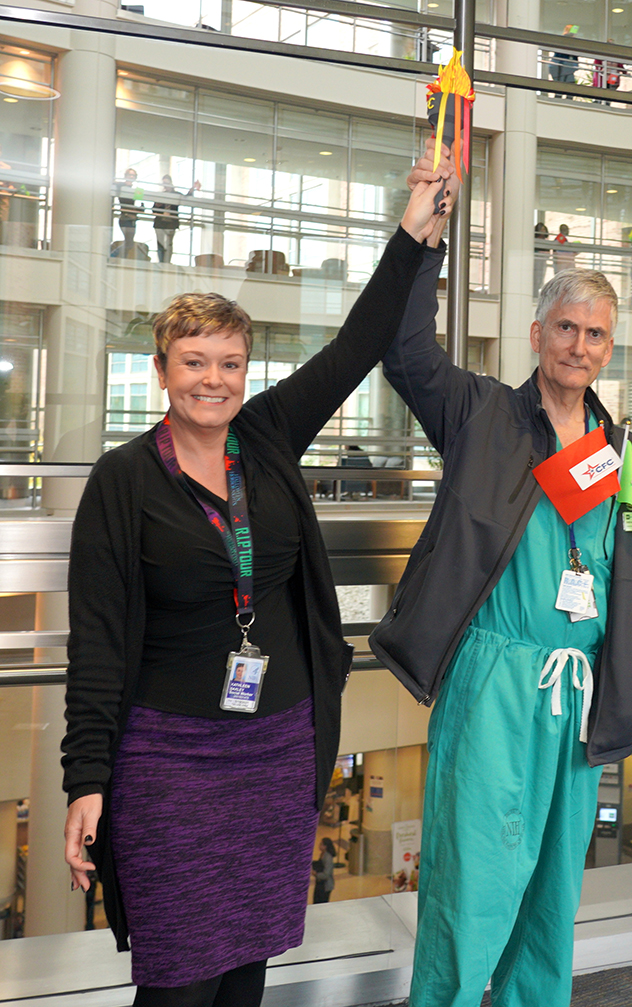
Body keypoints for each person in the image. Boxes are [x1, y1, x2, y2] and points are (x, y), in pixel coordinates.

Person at [61, 177, 449, 1007]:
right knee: (177, 983)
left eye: (230, 363)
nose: (213, 380)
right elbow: (94, 642)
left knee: (245, 973)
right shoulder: (122, 480)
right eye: (194, 362)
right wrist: (85, 779)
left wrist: (413, 237)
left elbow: (355, 346)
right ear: (162, 369)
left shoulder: (266, 436)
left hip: (277, 748)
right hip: (166, 761)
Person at [370, 140, 632, 1007]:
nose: (578, 345)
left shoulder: (623, 455)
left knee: (550, 903)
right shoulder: (480, 417)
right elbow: (404, 351)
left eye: (595, 334)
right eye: (565, 327)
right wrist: (419, 240)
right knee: (473, 887)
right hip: (496, 683)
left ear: (609, 349)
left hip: (582, 701)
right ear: (537, 333)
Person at [152, 174, 202, 264]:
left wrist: (192, 189)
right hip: (160, 222)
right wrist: (157, 205)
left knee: (168, 244)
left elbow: (185, 198)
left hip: (170, 222)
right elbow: (154, 210)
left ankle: (166, 262)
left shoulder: (176, 194)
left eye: (166, 183)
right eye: (164, 184)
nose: (165, 186)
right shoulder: (161, 195)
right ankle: (162, 261)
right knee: (160, 244)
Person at [114, 167, 143, 257]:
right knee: (129, 242)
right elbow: (114, 184)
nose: (131, 177)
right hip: (125, 217)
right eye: (129, 175)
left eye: (133, 175)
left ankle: (121, 256)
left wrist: (140, 208)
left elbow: (138, 204)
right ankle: (115, 255)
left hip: (132, 218)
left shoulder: (136, 190)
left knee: (129, 242)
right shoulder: (122, 186)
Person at [548, 25, 579, 96]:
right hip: (561, 65)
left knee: (566, 86)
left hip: (562, 65)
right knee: (563, 86)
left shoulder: (566, 41)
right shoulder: (565, 40)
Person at [312, 837, 336, 904]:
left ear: (326, 846)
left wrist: (316, 874)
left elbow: (326, 874)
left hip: (325, 886)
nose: (319, 845)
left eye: (321, 844)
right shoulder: (323, 854)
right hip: (320, 883)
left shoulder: (328, 857)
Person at [533, 221, 550, 296]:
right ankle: (534, 294)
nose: (542, 231)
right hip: (535, 262)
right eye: (541, 229)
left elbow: (548, 254)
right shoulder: (534, 241)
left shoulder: (546, 242)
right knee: (535, 279)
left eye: (544, 229)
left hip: (542, 262)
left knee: (540, 279)